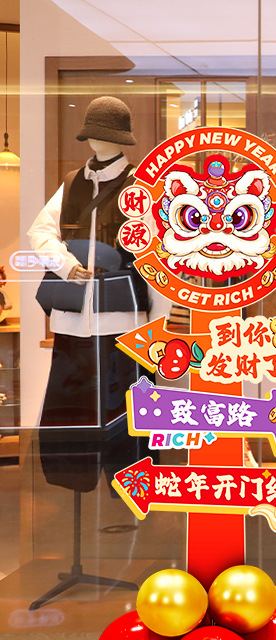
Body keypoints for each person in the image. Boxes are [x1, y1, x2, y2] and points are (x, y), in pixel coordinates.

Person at [28, 96, 170, 492]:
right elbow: (40, 232)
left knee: (129, 408)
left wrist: (158, 327)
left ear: (121, 139)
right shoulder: (72, 182)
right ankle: (73, 477)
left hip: (125, 322)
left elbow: (159, 259)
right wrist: (65, 265)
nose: (96, 142)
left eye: (103, 135)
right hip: (72, 320)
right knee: (70, 403)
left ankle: (133, 485)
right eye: (92, 134)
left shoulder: (141, 187)